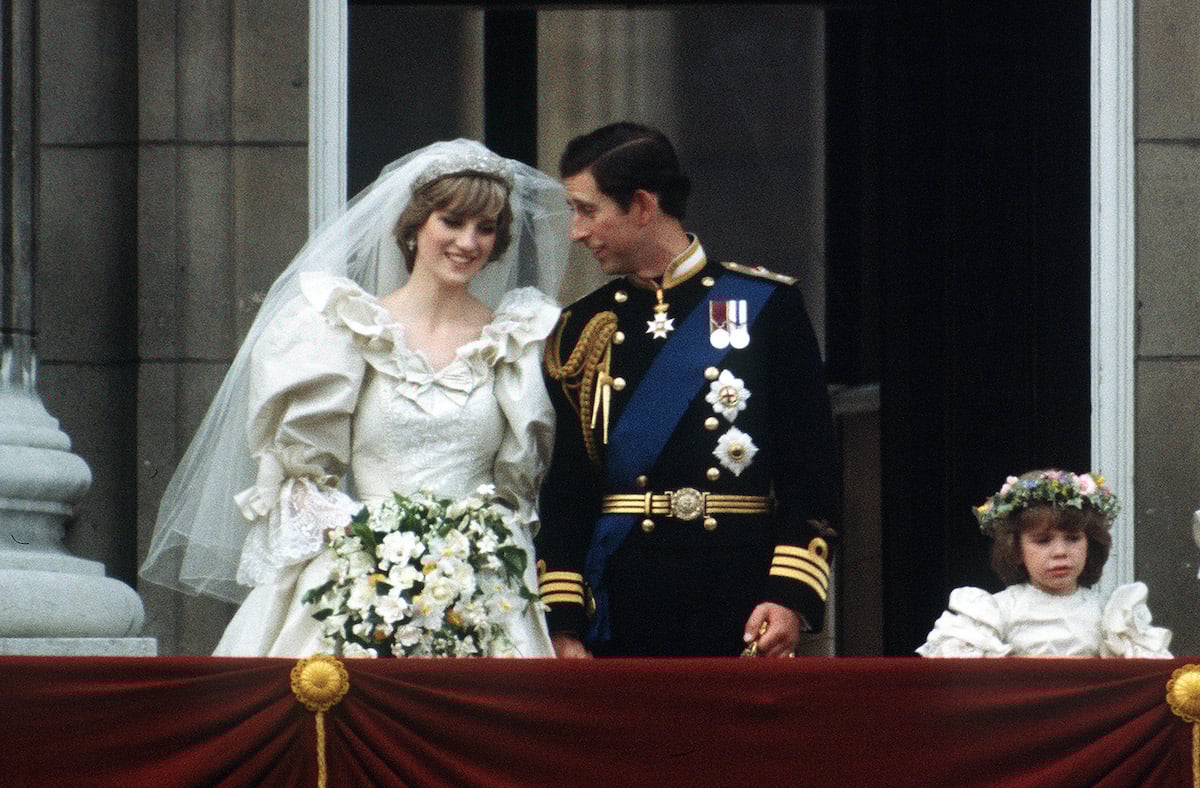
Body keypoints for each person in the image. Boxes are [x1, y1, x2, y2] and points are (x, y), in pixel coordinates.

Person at [140, 139, 571, 657]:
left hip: (479, 587)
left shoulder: (518, 340)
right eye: (452, 221)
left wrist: (464, 554)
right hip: (359, 575)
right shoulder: (343, 327)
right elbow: (301, 478)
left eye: (486, 228)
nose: (468, 242)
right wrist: (374, 546)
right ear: (415, 224)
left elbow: (519, 491)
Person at [534, 122, 840, 657]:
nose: (575, 233)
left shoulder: (765, 306)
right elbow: (565, 492)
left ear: (643, 206)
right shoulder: (582, 327)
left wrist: (788, 594)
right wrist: (562, 622)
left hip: (742, 596)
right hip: (618, 605)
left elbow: (810, 472)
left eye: (587, 210)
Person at [917, 469, 1173, 658]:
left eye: (1073, 539)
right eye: (1042, 541)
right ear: (1016, 549)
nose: (1060, 552)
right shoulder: (995, 613)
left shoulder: (1110, 615)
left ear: (1090, 545)